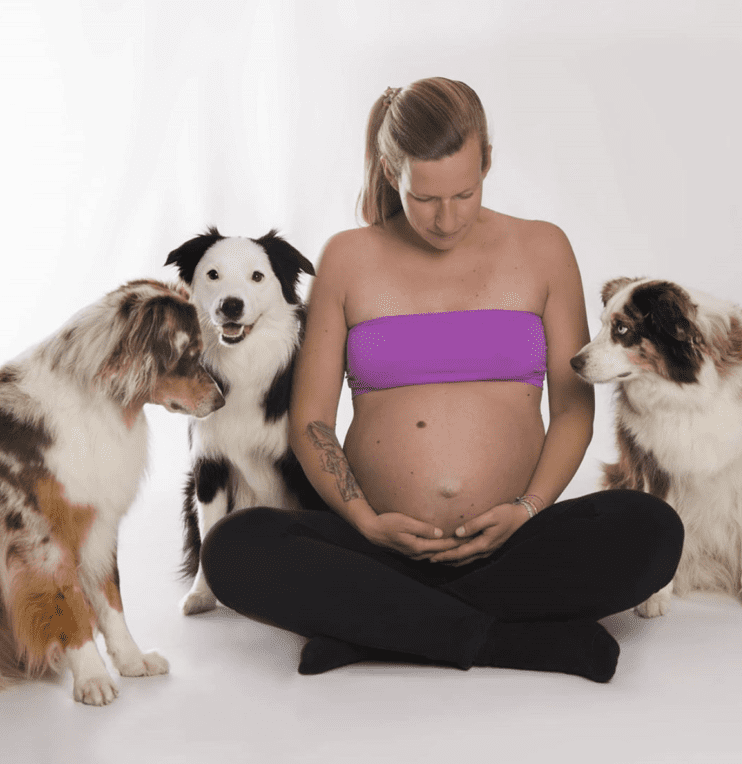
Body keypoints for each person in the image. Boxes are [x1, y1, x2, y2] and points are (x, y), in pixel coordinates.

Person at [201, 77, 684, 682]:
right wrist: (366, 521)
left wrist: (527, 509)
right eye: (423, 198)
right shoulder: (348, 257)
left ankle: (377, 630)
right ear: (389, 168)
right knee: (233, 548)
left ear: (488, 161)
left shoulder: (543, 248)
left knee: (653, 530)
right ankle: (515, 641)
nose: (447, 218)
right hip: (377, 546)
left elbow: (572, 413)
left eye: (465, 192)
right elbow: (311, 422)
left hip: (513, 542)